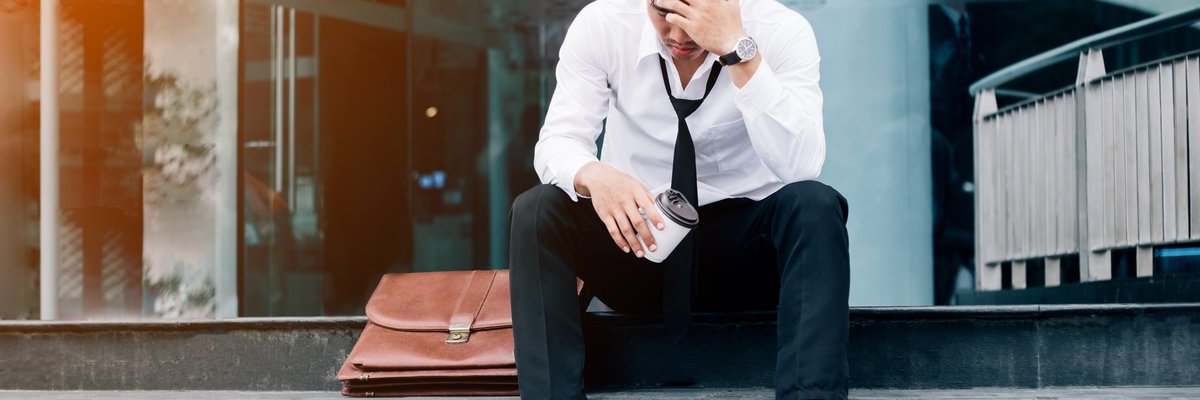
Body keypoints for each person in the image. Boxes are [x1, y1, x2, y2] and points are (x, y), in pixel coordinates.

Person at [508, 0, 849, 398]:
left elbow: (802, 164)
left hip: (740, 258)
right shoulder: (603, 24)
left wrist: (737, 51)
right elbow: (558, 141)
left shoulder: (781, 29)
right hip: (639, 242)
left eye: (694, 16)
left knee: (815, 205)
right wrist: (595, 176)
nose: (679, 35)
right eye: (664, 13)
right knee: (537, 209)